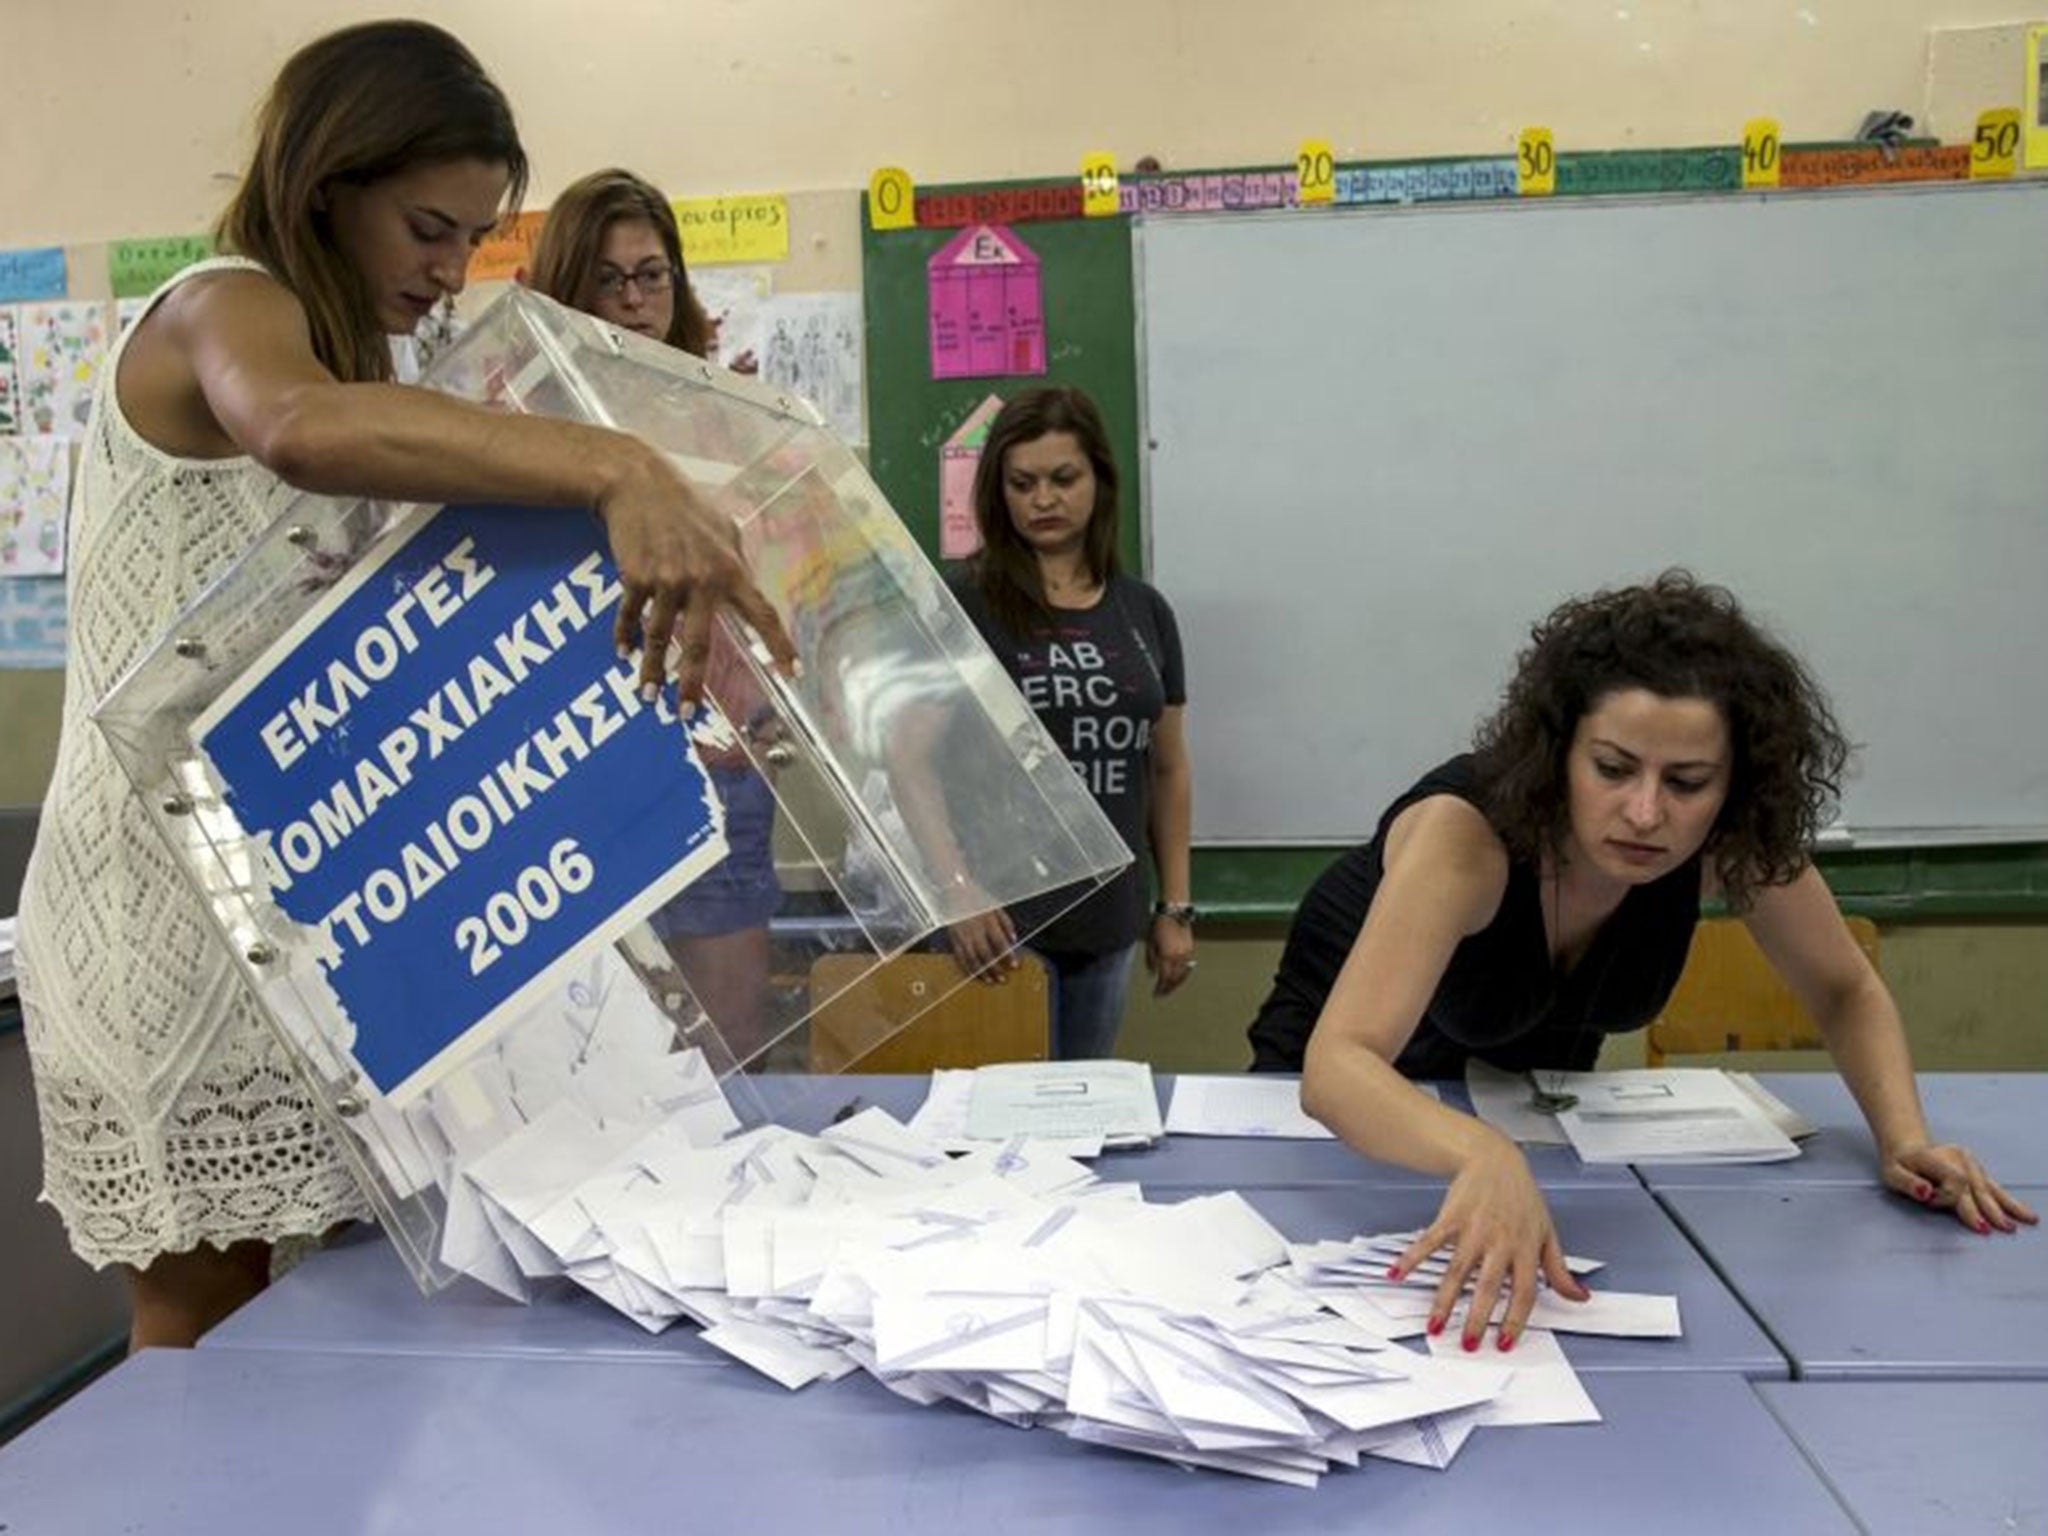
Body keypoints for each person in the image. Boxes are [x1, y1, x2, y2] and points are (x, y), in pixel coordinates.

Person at [13, 22, 793, 1351]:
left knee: (328, 1321)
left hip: (306, 898)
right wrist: (616, 465)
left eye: (473, 238)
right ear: (329, 183)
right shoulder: (221, 306)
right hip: (162, 904)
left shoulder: (375, 372)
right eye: (430, 228)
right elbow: (296, 434)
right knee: (207, 1314)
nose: (448, 272)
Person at [1252, 571, 2036, 1353]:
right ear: (1559, 755)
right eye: (1614, 768)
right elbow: (1338, 1067)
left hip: (1522, 1129)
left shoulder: (1725, 842)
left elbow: (1842, 986)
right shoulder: (1467, 838)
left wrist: (1902, 1138)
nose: (1646, 812)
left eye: (1688, 783)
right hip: (1321, 1131)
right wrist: (1480, 1154)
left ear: (1735, 786)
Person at [530, 170, 781, 1053]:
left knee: (726, 1048)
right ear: (566, 286)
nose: (634, 300)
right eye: (608, 278)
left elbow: (763, 571)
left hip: (713, 754)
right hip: (579, 767)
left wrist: (754, 713)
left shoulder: (721, 414)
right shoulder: (523, 422)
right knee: (607, 1054)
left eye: (653, 275)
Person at [948, 387, 1194, 1059]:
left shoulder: (1145, 611)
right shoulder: (965, 603)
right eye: (1023, 483)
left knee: (1080, 1122)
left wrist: (1174, 907)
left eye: (1063, 478)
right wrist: (957, 894)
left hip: (1108, 920)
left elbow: (1167, 768)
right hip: (999, 928)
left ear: (1099, 481)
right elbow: (908, 760)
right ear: (1000, 493)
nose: (1044, 500)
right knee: (997, 1135)